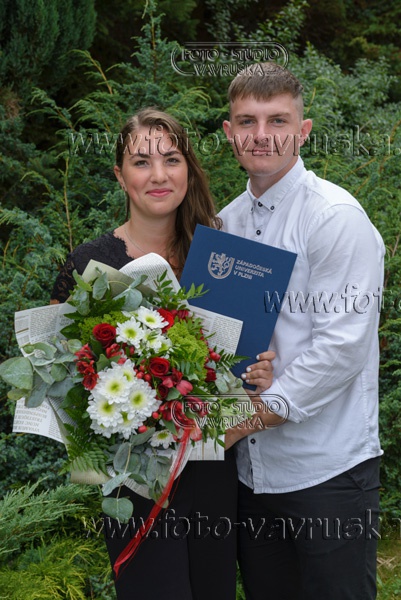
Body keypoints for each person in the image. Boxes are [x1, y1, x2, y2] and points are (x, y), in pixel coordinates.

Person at [50, 108, 275, 600]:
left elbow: (242, 367)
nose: (158, 175)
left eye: (172, 159)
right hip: (134, 483)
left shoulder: (221, 260)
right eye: (141, 162)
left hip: (213, 468)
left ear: (188, 169)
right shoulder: (89, 266)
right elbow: (65, 385)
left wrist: (259, 372)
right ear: (119, 175)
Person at [220, 62, 385, 599]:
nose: (261, 135)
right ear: (229, 132)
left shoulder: (334, 217)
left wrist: (238, 423)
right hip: (252, 475)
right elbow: (219, 342)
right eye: (247, 121)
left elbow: (342, 348)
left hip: (327, 472)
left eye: (278, 120)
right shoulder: (225, 224)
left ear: (303, 130)